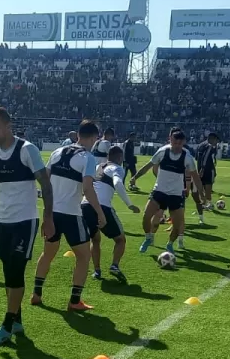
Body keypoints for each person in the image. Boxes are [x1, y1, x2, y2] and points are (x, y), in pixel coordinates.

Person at [0, 107, 54, 346]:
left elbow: (46, 183)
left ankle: (7, 325)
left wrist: (49, 217)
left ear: (8, 126)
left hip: (25, 220)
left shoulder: (26, 150)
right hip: (3, 221)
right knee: (8, 272)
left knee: (16, 270)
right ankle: (17, 319)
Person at [31, 121, 107, 312]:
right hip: (72, 214)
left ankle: (36, 294)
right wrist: (100, 212)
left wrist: (46, 211)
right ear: (93, 138)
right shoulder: (88, 158)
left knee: (47, 253)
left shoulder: (58, 152)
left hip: (52, 213)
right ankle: (74, 300)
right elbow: (88, 188)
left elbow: (45, 182)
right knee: (84, 256)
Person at [132, 128, 203, 256]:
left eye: (180, 144)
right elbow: (148, 166)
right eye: (174, 143)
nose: (177, 146)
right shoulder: (162, 152)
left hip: (176, 195)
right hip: (159, 191)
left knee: (177, 225)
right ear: (170, 140)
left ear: (184, 143)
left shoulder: (187, 158)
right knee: (146, 217)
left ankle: (170, 244)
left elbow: (195, 176)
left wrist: (202, 193)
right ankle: (148, 238)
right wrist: (135, 177)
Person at [86, 144, 142, 282]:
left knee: (95, 239)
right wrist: (130, 204)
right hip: (103, 207)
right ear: (120, 157)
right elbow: (117, 183)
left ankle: (97, 271)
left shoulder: (98, 167)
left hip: (86, 205)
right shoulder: (117, 168)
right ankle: (114, 266)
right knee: (120, 239)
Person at [196, 132, 220, 214]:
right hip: (207, 169)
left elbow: (197, 157)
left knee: (201, 186)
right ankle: (208, 203)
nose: (216, 142)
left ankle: (203, 203)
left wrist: (200, 168)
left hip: (199, 168)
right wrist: (203, 168)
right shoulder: (209, 146)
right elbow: (205, 157)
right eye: (216, 140)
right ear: (213, 139)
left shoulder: (200, 145)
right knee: (208, 185)